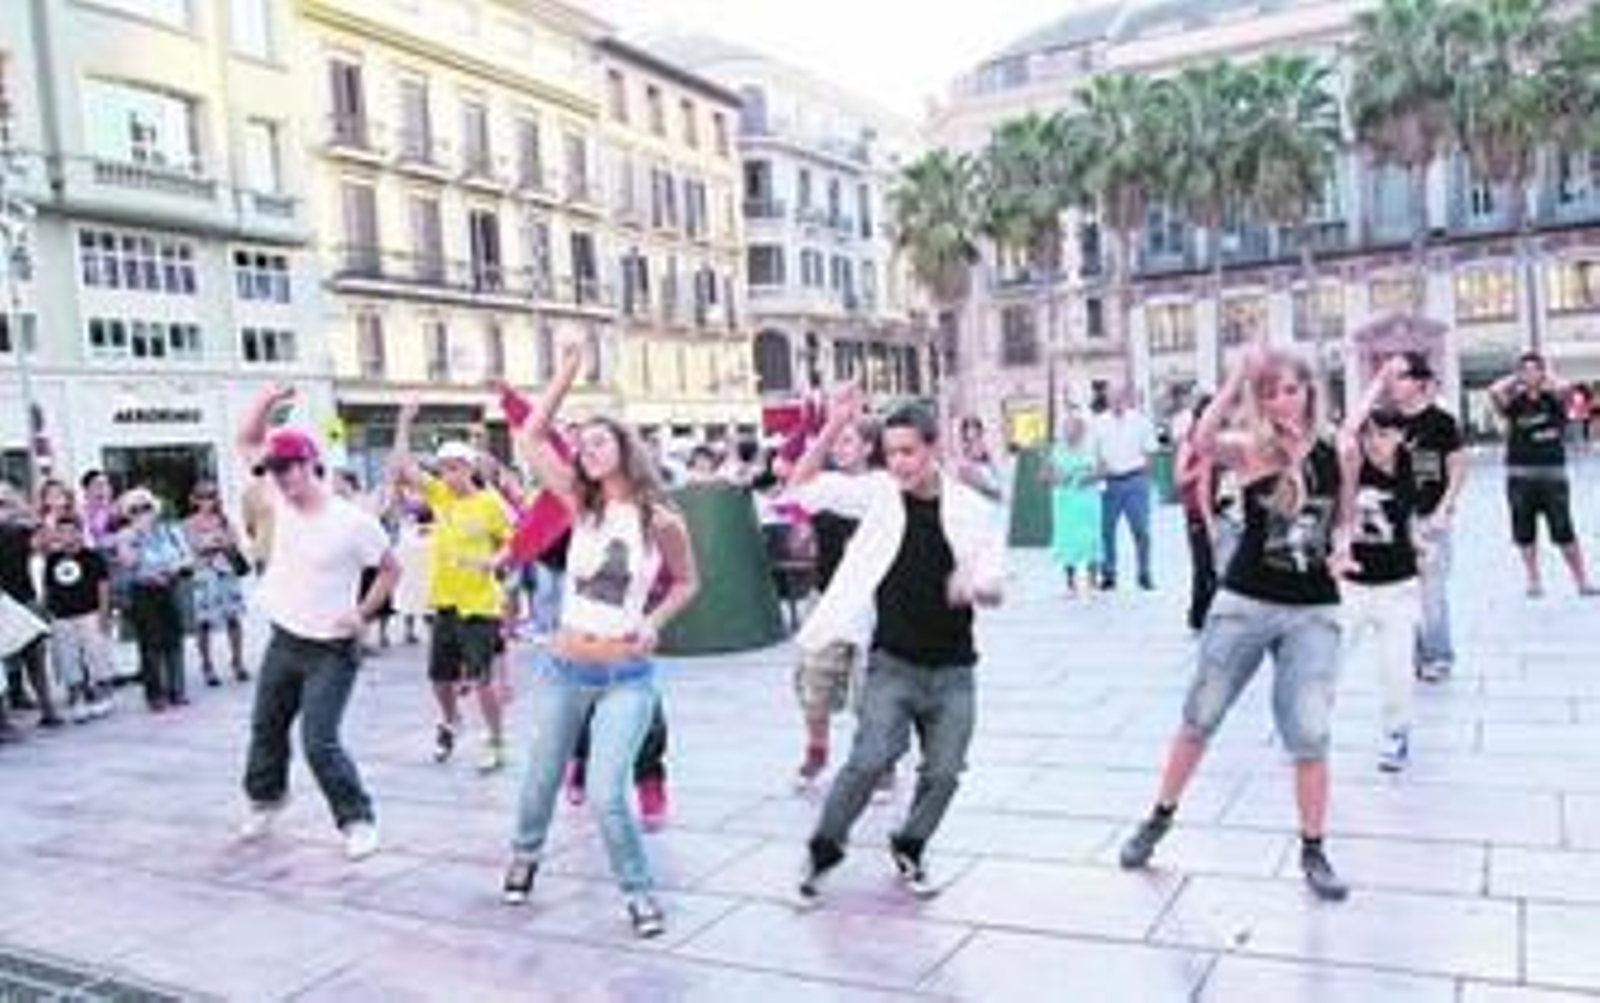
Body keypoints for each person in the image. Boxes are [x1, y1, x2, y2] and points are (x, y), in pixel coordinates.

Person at [1118, 345, 1354, 902]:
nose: (1281, 402)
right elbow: (1198, 443)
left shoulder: (1336, 448)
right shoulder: (1251, 449)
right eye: (1269, 392)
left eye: (1290, 390)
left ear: (1310, 391)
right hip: (1245, 600)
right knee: (1201, 715)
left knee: (1311, 731)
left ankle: (1314, 848)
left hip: (1313, 607)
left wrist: (1342, 549)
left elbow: (1342, 515)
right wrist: (1232, 382)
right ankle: (1158, 817)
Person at [501, 341, 700, 940]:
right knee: (540, 777)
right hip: (566, 667)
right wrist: (565, 371)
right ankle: (524, 856)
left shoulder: (660, 519)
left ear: (623, 449)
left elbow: (689, 581)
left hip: (625, 679)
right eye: (581, 443)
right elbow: (533, 436)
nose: (586, 450)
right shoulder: (575, 505)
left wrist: (655, 621)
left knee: (610, 792)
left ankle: (639, 894)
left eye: (598, 440)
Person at [797, 400, 1005, 903]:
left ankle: (910, 844)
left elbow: (997, 586)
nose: (899, 463)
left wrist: (974, 585)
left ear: (933, 449)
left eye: (909, 451)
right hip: (893, 662)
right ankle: (824, 850)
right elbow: (802, 487)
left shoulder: (973, 511)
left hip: (955, 670)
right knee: (869, 760)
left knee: (945, 772)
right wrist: (833, 425)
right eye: (891, 453)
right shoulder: (878, 496)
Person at [235, 386, 399, 861]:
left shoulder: (353, 522)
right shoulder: (278, 501)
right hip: (285, 638)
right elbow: (246, 440)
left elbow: (391, 570)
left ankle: (357, 820)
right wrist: (265, 399)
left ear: (311, 465)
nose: (282, 479)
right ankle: (267, 798)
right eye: (275, 471)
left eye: (289, 469)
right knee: (266, 726)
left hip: (331, 647)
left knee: (319, 741)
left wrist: (363, 613)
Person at [391, 407, 515, 773]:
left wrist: (495, 561)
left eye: (457, 467)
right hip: (444, 600)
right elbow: (402, 467)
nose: (449, 474)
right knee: (439, 677)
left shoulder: (490, 502)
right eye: (444, 467)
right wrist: (404, 423)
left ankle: (495, 741)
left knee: (481, 678)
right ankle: (452, 719)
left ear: (471, 468)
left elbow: (513, 541)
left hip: (479, 603)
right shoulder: (440, 495)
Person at [780, 383, 884, 789]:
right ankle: (816, 750)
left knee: (872, 690)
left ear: (868, 447)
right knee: (813, 680)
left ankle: (880, 764)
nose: (839, 448)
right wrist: (831, 424)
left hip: (875, 603)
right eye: (835, 442)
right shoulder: (825, 486)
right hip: (827, 600)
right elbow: (794, 488)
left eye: (847, 441)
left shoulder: (882, 487)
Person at [1339, 359, 1425, 771]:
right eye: (1371, 433)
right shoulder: (1356, 464)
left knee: (1396, 669)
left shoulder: (1410, 467)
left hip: (1398, 587)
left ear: (1401, 436)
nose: (1376, 441)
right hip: (1353, 585)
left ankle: (1396, 734)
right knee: (1326, 661)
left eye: (1385, 433)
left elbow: (1411, 518)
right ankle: (1304, 730)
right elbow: (1346, 430)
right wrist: (1378, 381)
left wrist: (1422, 541)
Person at [1487, 352, 1598, 598]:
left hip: (1553, 476)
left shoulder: (1554, 401)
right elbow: (1493, 391)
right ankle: (1533, 580)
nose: (1530, 374)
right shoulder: (1515, 404)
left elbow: (1569, 389)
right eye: (1525, 370)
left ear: (1542, 372)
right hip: (1519, 476)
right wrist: (1517, 378)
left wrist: (1545, 376)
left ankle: (1582, 581)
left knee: (1564, 530)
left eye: (1534, 369)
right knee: (1525, 532)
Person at [1390, 352, 1466, 682]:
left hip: (1429, 517)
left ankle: (1438, 657)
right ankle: (1416, 655)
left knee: (1431, 591)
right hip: (1394, 520)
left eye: (1399, 376)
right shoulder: (1386, 420)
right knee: (1404, 591)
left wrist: (1444, 508)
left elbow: (1458, 467)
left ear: (1419, 382)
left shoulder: (1441, 421)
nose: (1392, 383)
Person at [115, 487, 193, 712]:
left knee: (174, 640)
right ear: (128, 513)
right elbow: (129, 562)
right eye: (135, 509)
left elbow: (186, 557)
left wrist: (171, 571)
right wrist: (139, 537)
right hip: (143, 592)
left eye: (146, 507)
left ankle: (177, 690)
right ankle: (155, 694)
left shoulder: (170, 531)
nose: (141, 512)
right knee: (150, 644)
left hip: (171, 587)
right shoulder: (126, 535)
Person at [42, 512, 115, 722]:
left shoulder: (92, 557)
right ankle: (77, 699)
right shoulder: (53, 559)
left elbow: (103, 587)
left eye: (71, 532)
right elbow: (49, 588)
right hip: (62, 617)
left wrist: (104, 614)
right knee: (69, 658)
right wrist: (50, 615)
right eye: (61, 532)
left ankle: (103, 695)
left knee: (96, 654)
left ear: (79, 533)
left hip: (89, 613)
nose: (66, 536)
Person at [0, 483, 59, 730]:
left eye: (4, 502)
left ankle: (48, 710)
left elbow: (45, 545)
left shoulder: (20, 530)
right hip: (2, 604)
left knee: (35, 656)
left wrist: (28, 512)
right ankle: (4, 719)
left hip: (25, 600)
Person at [1091, 386, 1158, 590]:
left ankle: (1144, 574)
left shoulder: (1140, 420)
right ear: (1107, 399)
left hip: (1135, 480)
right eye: (1112, 397)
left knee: (1141, 531)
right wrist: (1099, 469)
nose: (1116, 400)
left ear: (1126, 398)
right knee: (1106, 532)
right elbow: (1093, 453)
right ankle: (1109, 574)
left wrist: (1144, 477)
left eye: (1120, 396)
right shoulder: (1098, 423)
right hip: (1109, 483)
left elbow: (1150, 451)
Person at [183, 480, 249, 685]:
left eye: (211, 496)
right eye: (202, 496)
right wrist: (215, 542)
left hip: (226, 572)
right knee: (204, 622)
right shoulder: (188, 523)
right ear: (194, 499)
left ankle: (238, 662)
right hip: (203, 574)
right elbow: (193, 547)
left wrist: (215, 542)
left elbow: (234, 542)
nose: (207, 501)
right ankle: (207, 666)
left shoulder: (225, 520)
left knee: (233, 618)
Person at [1045, 406, 1101, 597]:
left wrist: (1089, 477)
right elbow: (1044, 476)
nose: (1071, 432)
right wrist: (1056, 478)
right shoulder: (1056, 450)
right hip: (1065, 503)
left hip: (1087, 501)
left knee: (1091, 541)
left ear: (1082, 430)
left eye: (1075, 428)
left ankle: (1093, 582)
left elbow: (1102, 470)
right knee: (1067, 542)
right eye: (1067, 428)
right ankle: (1071, 583)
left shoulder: (1091, 448)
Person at [1177, 395, 1221, 630]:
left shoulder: (1219, 439)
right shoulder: (1190, 441)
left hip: (1220, 511)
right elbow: (1179, 478)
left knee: (1217, 565)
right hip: (1196, 511)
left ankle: (1209, 616)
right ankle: (1198, 616)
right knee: (1203, 566)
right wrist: (1201, 468)